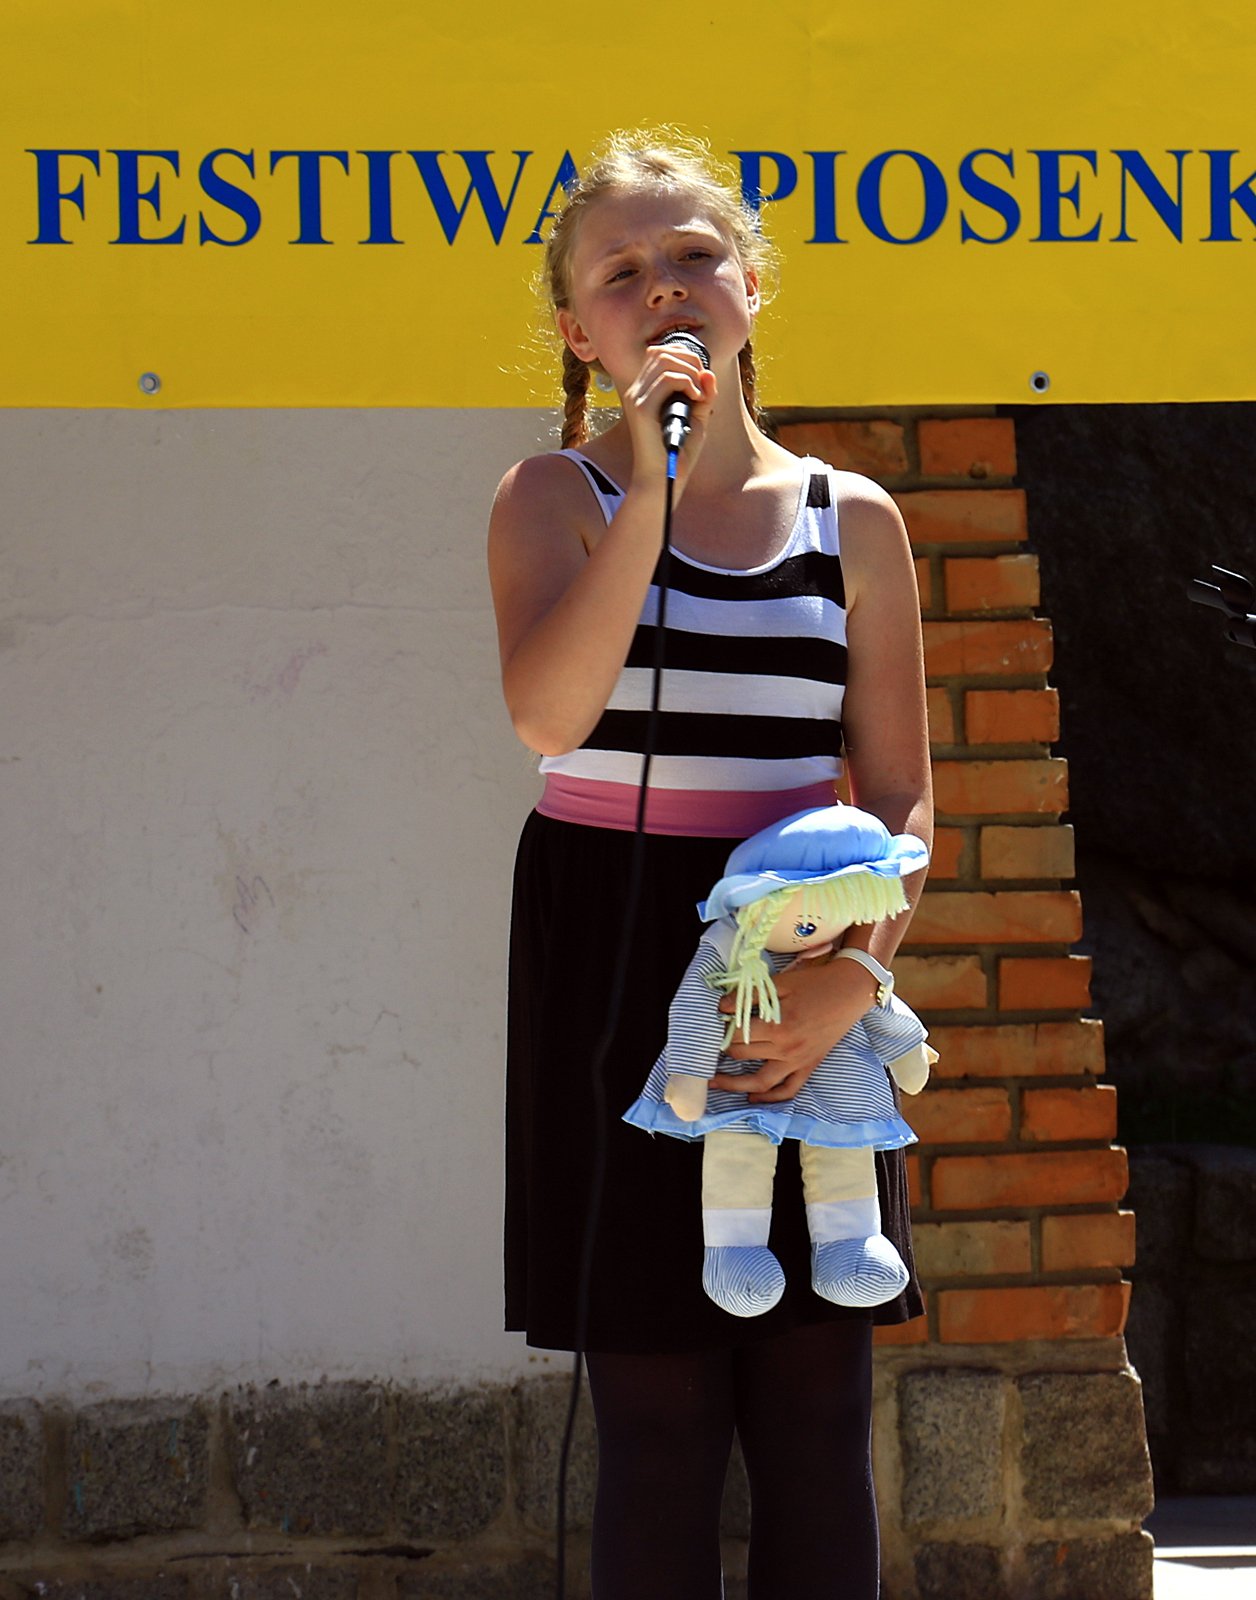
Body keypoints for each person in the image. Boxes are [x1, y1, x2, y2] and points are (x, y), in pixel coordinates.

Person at [487, 130, 932, 1600]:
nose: (663, 287)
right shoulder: (551, 500)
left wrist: (852, 979)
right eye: (620, 273)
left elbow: (901, 794)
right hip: (612, 956)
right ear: (579, 330)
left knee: (813, 1405)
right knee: (659, 1416)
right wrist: (653, 499)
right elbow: (548, 715)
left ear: (752, 288)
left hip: (806, 960)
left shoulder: (852, 521)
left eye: (693, 256)